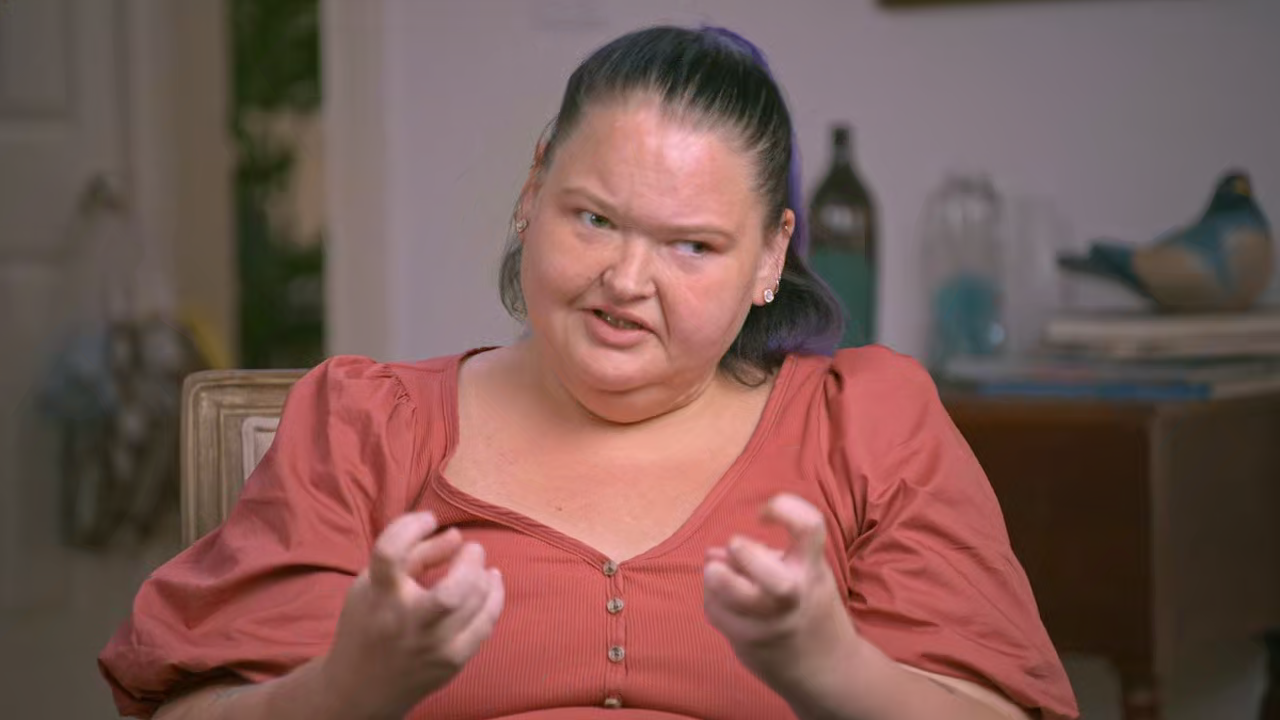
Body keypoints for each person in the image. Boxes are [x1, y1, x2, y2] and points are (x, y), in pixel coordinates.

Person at [99, 25, 1079, 720]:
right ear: (533, 192)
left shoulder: (869, 425)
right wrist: (349, 688)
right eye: (595, 219)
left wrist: (829, 667)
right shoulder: (363, 425)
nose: (626, 279)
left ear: (771, 258)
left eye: (692, 245)